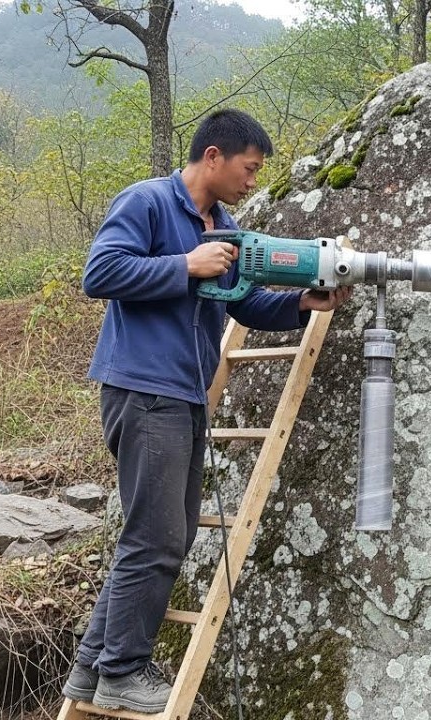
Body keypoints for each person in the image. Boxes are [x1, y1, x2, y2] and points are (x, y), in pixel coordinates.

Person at [60, 109, 351, 714]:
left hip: (186, 396)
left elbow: (243, 304)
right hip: (144, 391)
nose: (251, 182)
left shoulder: (228, 227)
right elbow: (99, 273)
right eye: (248, 169)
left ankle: (91, 669)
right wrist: (183, 265)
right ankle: (122, 672)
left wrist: (302, 301)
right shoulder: (146, 202)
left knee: (167, 532)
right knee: (159, 536)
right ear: (213, 156)